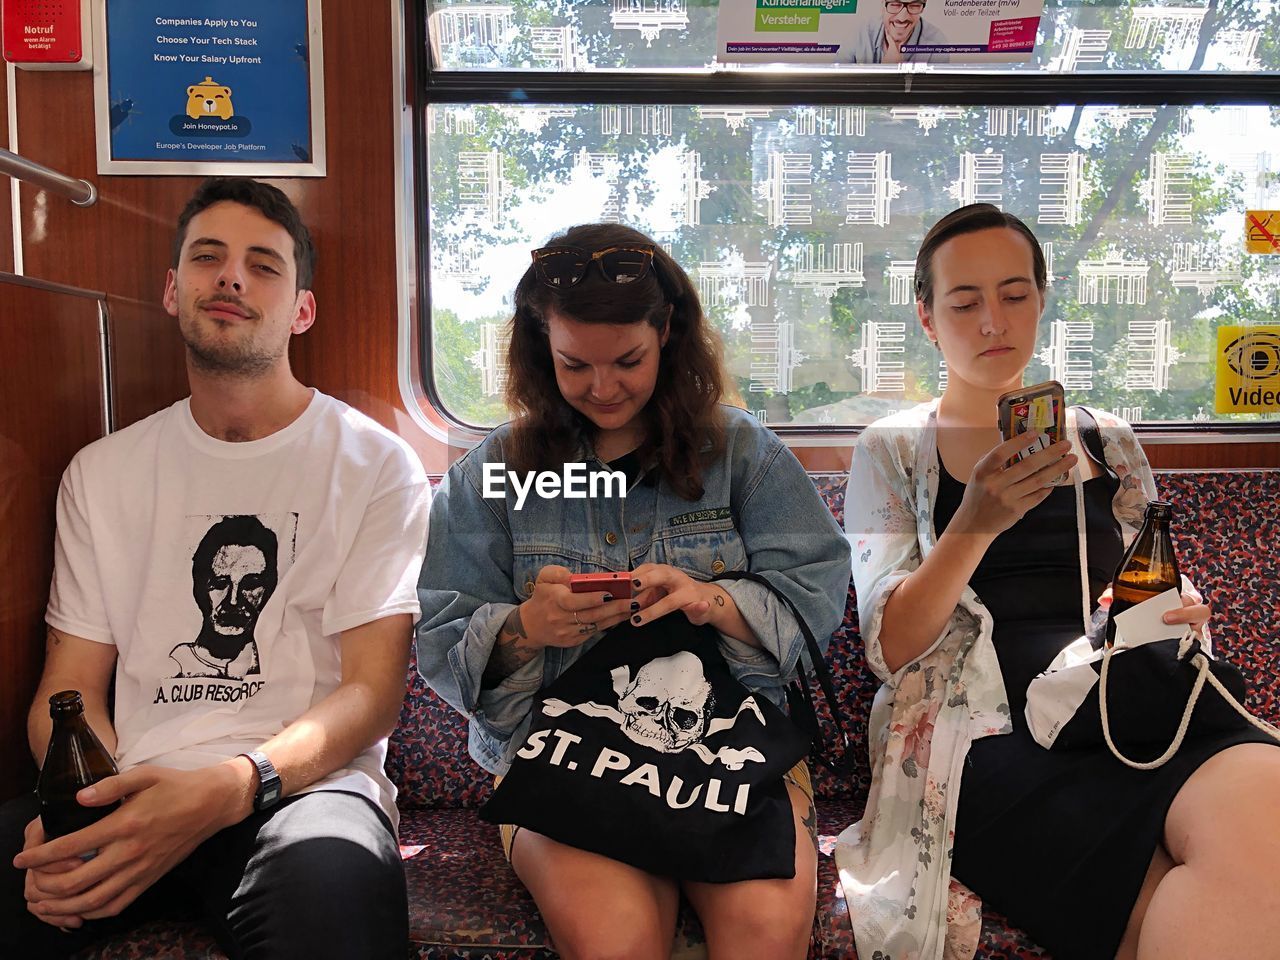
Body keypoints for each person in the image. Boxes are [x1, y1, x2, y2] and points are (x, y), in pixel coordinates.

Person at [0, 177, 432, 959]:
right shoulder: (101, 473)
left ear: (302, 309)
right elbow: (66, 693)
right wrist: (87, 805)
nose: (231, 277)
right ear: (173, 291)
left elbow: (370, 697)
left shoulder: (374, 465)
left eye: (264, 265)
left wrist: (235, 784)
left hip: (298, 792)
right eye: (208, 258)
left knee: (334, 894)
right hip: (130, 784)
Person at [836, 203, 1280, 960]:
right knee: (1179, 903)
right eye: (964, 301)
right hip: (986, 735)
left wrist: (1174, 608)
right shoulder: (892, 449)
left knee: (1265, 814)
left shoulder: (1106, 440)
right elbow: (891, 648)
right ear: (927, 317)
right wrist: (975, 519)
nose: (991, 321)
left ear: (1042, 300)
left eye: (1014, 295)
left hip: (1130, 701)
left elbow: (1159, 582)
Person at [416, 223, 851, 960]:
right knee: (617, 945)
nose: (603, 387)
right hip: (558, 751)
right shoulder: (491, 474)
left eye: (628, 361)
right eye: (574, 365)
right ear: (538, 350)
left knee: (764, 940)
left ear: (667, 334)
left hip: (735, 746)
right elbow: (441, 640)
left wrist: (709, 599)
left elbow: (815, 609)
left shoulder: (744, 454)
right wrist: (526, 628)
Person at [169, 514, 278, 679]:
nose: (233, 601)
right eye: (220, 584)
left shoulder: (279, 660)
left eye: (250, 586)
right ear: (200, 588)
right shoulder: (176, 665)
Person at [844, 0, 951, 65]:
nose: (902, 18)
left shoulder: (937, 43)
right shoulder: (860, 33)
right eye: (895, 4)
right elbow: (838, 87)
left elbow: (932, 97)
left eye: (914, 5)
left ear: (922, 8)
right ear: (882, 3)